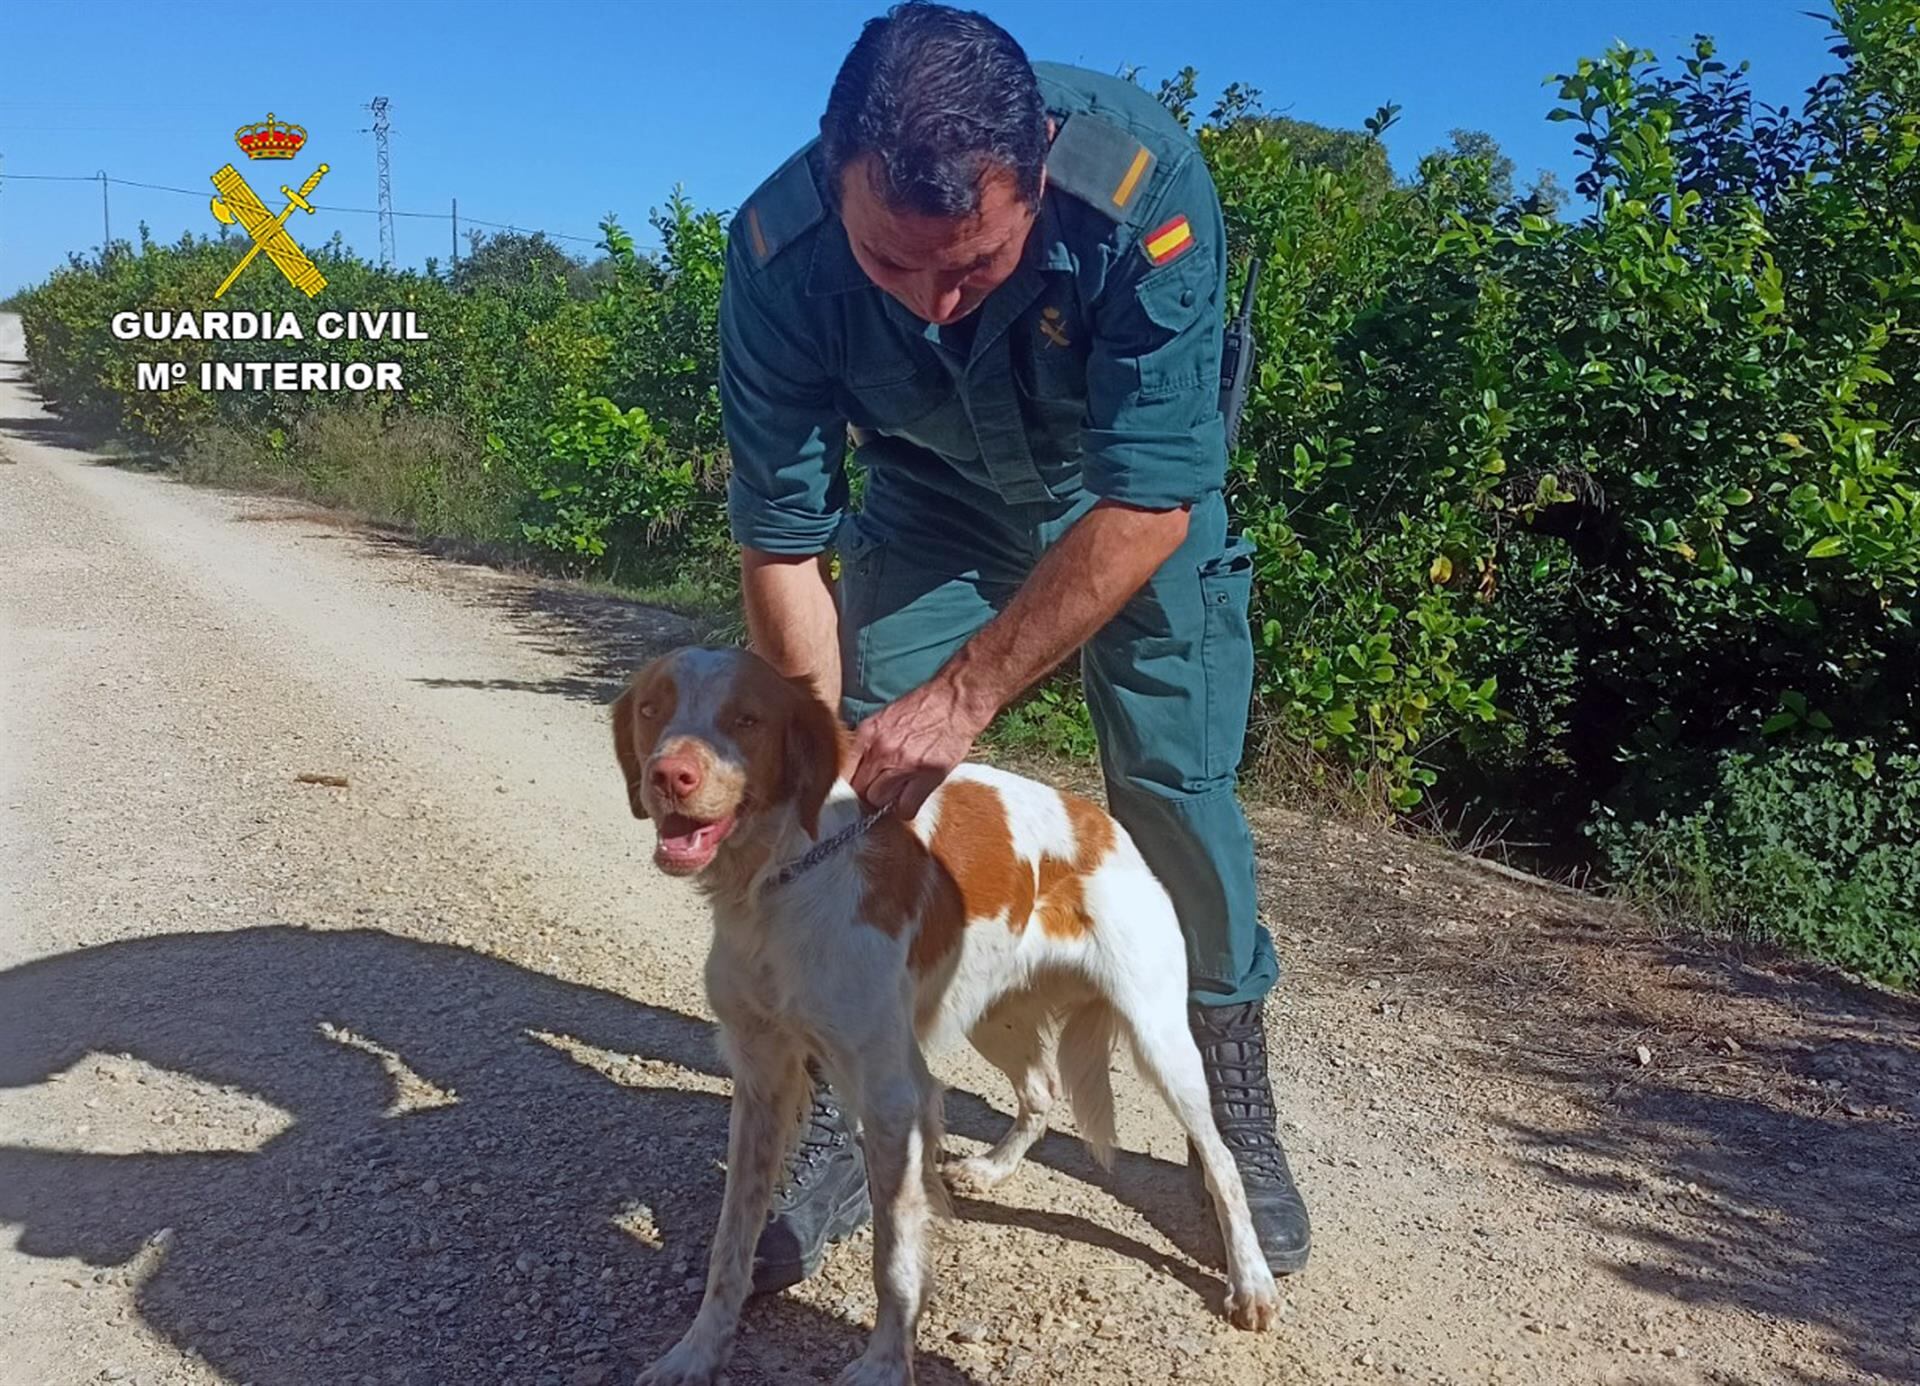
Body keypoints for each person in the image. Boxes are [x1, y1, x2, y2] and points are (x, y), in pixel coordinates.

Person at [718, 0, 1311, 1294]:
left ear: (1037, 176)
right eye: (895, 267)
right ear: (836, 178)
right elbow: (783, 547)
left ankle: (1230, 1085)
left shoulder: (1144, 191)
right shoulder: (777, 254)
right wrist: (824, 760)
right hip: (934, 499)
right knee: (872, 779)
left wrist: (970, 694)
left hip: (1131, 502)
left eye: (974, 269)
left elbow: (1152, 496)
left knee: (1173, 787)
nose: (934, 303)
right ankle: (839, 1082)